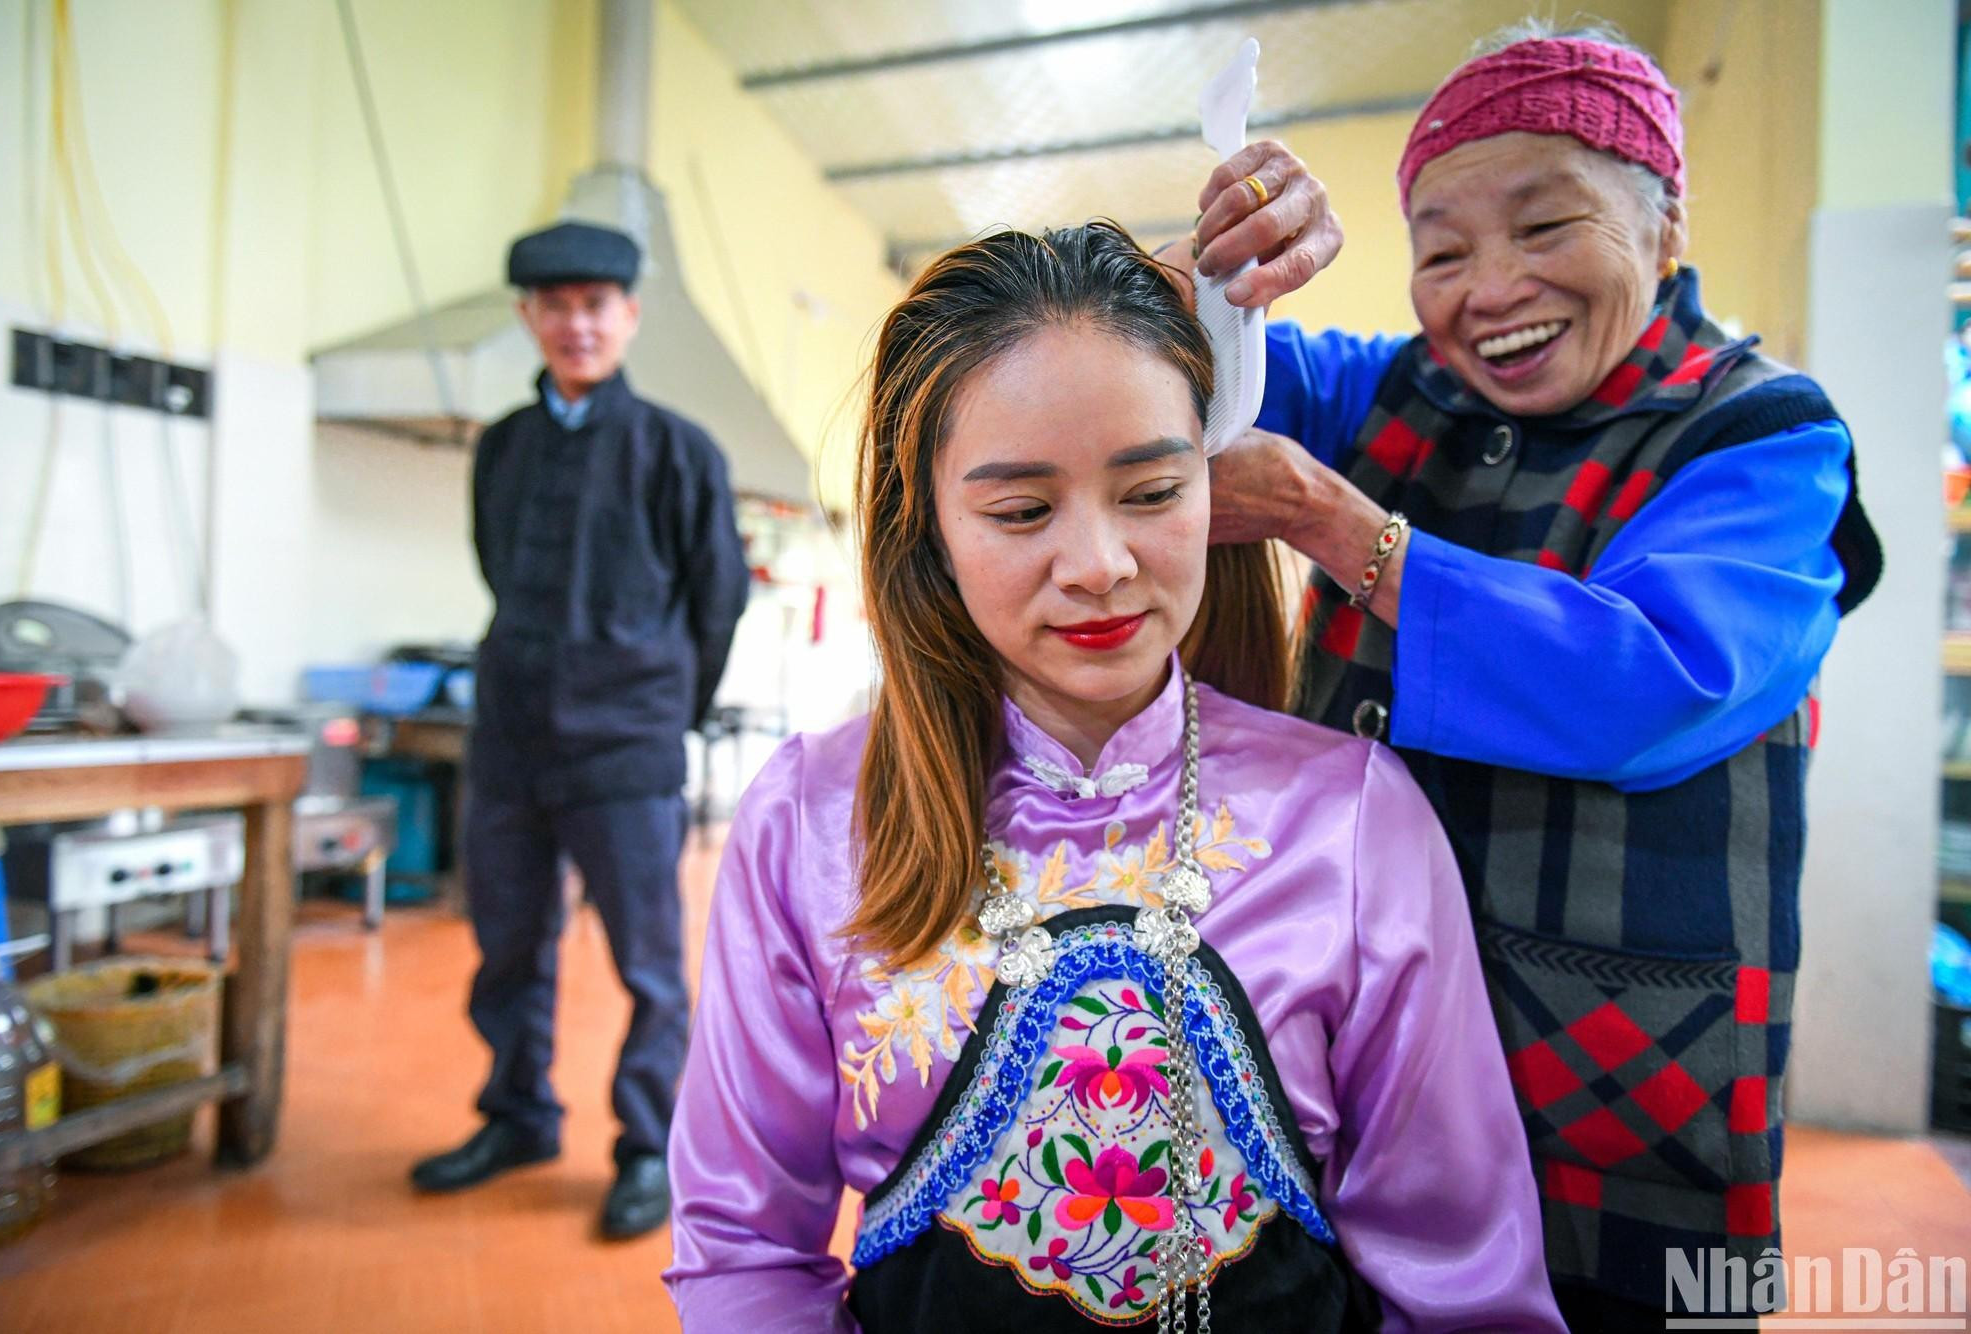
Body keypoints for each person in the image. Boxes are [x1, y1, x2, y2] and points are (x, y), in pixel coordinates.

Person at [664, 222, 1562, 1331]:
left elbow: (1462, 1283)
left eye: (1149, 492)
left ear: (1210, 487)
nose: (1098, 565)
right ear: (930, 529)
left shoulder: (1350, 818)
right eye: (1020, 510)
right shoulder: (807, 822)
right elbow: (745, 1251)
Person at [1172, 23, 1885, 1330]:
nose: (1488, 287)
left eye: (1546, 227)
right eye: (1440, 250)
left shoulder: (1765, 439)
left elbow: (1651, 682)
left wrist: (1341, 528)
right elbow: (1204, 379)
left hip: (1617, 1092)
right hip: (1378, 1059)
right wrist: (1215, 262)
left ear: (1666, 231)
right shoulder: (1398, 391)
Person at [410, 220, 751, 1242]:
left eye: (595, 303)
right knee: (506, 947)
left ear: (628, 316)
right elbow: (495, 567)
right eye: (554, 305)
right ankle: (516, 1116)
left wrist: (665, 712)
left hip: (626, 749)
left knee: (649, 965)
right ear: (528, 318)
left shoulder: (678, 451)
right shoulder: (503, 447)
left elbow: (717, 599)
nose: (575, 323)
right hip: (510, 740)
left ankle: (648, 1143)